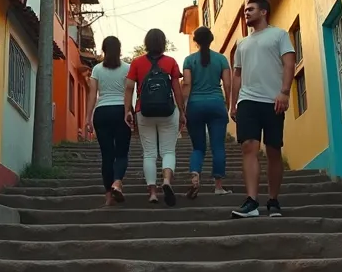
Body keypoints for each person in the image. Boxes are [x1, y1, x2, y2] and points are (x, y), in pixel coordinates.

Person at [230, 0, 296, 218]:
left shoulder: (279, 35)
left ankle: (273, 200)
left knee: (273, 150)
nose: (246, 13)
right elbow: (237, 74)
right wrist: (233, 103)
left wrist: (285, 92)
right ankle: (251, 201)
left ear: (264, 12)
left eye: (251, 9)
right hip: (247, 101)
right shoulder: (241, 43)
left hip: (273, 100)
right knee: (249, 146)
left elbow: (289, 63)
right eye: (245, 10)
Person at [124, 28, 185, 206]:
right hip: (168, 111)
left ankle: (152, 193)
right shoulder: (171, 62)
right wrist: (182, 111)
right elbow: (177, 89)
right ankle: (166, 181)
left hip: (144, 111)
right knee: (168, 151)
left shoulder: (137, 62)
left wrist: (127, 110)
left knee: (149, 153)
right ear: (163, 43)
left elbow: (128, 88)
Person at [181, 26, 233, 199]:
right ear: (211, 39)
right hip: (216, 104)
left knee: (198, 147)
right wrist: (228, 104)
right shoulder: (221, 59)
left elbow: (186, 85)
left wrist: (183, 108)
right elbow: (227, 84)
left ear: (195, 41)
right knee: (218, 146)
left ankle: (195, 174)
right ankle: (218, 186)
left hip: (195, 106)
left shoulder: (189, 60)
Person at [86, 36, 132, 206]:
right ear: (119, 50)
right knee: (121, 153)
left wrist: (88, 118)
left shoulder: (97, 69)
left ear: (103, 50)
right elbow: (129, 92)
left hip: (102, 113)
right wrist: (129, 112)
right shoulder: (128, 68)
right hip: (121, 111)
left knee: (107, 156)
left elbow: (92, 95)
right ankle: (117, 182)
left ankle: (108, 196)